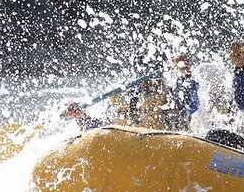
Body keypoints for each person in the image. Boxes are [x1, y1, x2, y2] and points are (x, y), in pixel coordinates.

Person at [64, 51, 199, 132]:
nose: (151, 83)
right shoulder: (124, 96)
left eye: (155, 78)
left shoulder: (170, 95)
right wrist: (81, 116)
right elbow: (100, 127)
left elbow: (191, 104)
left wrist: (185, 72)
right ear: (137, 73)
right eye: (144, 73)